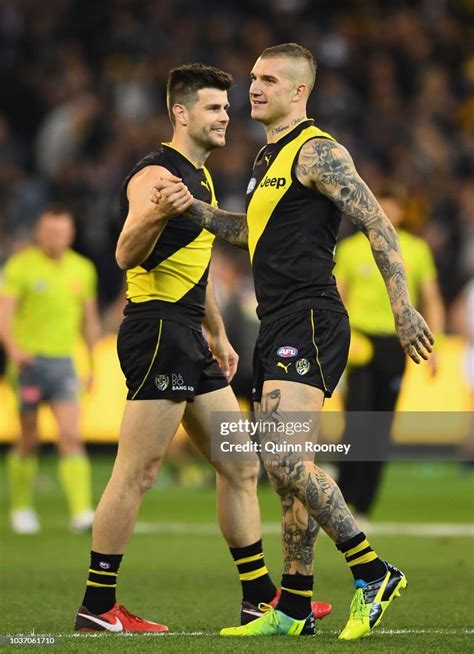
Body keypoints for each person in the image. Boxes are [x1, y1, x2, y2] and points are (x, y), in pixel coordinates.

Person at [153, 44, 434, 640]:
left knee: (279, 457)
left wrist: (403, 307)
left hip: (310, 317)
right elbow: (250, 232)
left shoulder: (318, 151)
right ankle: (295, 604)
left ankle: (373, 570)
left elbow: (377, 222)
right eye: (253, 77)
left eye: (268, 79)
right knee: (289, 473)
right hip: (279, 318)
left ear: (299, 91)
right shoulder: (267, 157)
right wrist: (196, 210)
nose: (253, 87)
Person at [74, 64, 331, 634]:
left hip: (189, 331)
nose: (226, 118)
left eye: (227, 107)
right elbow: (124, 253)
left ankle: (259, 597)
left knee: (240, 465)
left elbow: (196, 262)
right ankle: (97, 605)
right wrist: (156, 214)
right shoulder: (156, 174)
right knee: (137, 472)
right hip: (158, 331)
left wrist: (216, 331)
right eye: (215, 108)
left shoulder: (201, 179)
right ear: (181, 113)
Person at [336, 185, 445, 522]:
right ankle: (345, 497)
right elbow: (338, 296)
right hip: (360, 343)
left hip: (398, 344)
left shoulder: (415, 249)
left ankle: (365, 504)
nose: (385, 212)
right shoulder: (351, 250)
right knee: (357, 421)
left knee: (381, 425)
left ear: (400, 211)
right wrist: (337, 340)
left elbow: (431, 298)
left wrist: (435, 344)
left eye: (390, 207)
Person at [0, 206, 100, 534]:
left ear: (71, 234)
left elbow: (89, 320)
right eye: (49, 231)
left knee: (71, 436)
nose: (55, 237)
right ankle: (21, 507)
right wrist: (14, 349)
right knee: (29, 438)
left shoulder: (82, 270)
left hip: (63, 364)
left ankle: (82, 512)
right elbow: (5, 313)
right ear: (39, 233)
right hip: (29, 364)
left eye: (61, 232)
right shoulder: (20, 266)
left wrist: (93, 362)